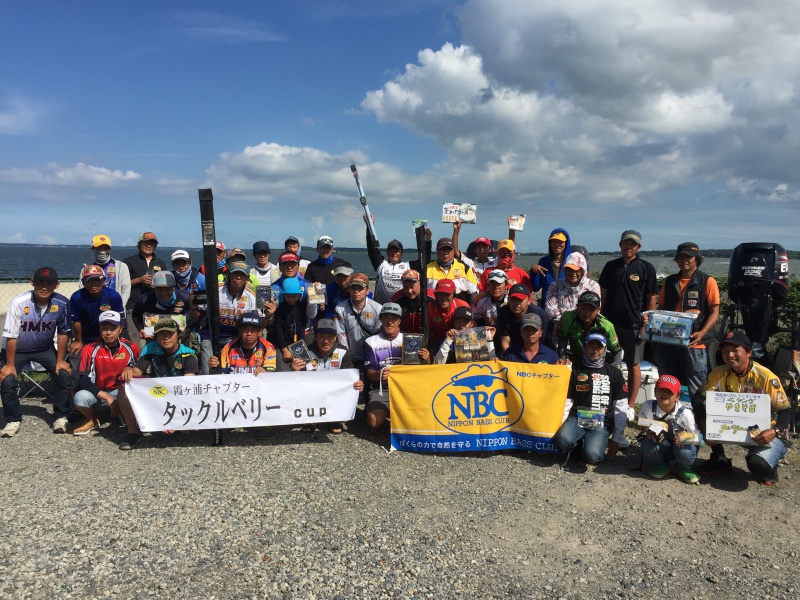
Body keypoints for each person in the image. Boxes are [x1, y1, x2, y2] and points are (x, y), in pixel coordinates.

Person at [695, 331, 791, 486]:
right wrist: (706, 427)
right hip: (731, 428)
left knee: (757, 465)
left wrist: (775, 432)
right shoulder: (719, 372)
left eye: (735, 350)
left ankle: (771, 466)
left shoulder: (767, 377)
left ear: (748, 353)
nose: (730, 355)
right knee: (697, 412)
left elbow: (786, 411)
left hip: (762, 432)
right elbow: (698, 398)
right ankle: (720, 458)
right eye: (725, 351)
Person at [0, 267, 72, 436]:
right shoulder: (19, 302)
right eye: (40, 283)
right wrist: (10, 364)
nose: (44, 287)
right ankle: (13, 420)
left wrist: (60, 360)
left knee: (63, 374)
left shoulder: (62, 303)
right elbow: (11, 336)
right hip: (17, 350)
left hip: (44, 349)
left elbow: (63, 333)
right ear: (32, 283)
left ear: (57, 285)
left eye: (49, 284)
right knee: (7, 380)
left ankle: (60, 416)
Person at [599, 229, 657, 422]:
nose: (628, 247)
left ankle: (631, 404)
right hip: (608, 323)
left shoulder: (646, 268)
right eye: (625, 243)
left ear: (638, 247)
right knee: (605, 363)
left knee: (633, 364)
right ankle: (604, 400)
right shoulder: (610, 266)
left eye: (632, 244)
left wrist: (645, 322)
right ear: (620, 245)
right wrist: (598, 317)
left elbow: (652, 297)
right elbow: (603, 292)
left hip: (633, 325)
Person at [115, 318, 200, 450]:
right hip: (158, 395)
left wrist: (174, 419)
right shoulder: (150, 348)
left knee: (185, 431)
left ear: (178, 334)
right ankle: (133, 432)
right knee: (125, 386)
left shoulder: (188, 354)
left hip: (180, 398)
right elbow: (136, 372)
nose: (166, 338)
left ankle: (176, 425)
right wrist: (128, 370)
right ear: (156, 336)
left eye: (170, 333)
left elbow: (187, 388)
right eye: (161, 334)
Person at [654, 242, 720, 395]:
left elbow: (715, 312)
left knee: (697, 385)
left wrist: (702, 333)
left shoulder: (707, 281)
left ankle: (699, 417)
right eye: (681, 256)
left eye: (689, 257)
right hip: (668, 342)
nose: (685, 260)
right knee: (667, 382)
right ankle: (668, 415)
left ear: (696, 259)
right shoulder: (669, 281)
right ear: (676, 260)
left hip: (694, 343)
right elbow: (661, 308)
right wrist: (652, 321)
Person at [552, 331, 626, 468]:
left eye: (599, 346)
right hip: (576, 418)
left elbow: (621, 407)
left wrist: (617, 438)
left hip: (602, 422)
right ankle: (576, 445)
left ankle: (590, 443)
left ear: (605, 349)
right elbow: (568, 402)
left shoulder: (615, 373)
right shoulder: (574, 369)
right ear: (584, 347)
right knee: (563, 440)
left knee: (593, 456)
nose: (595, 350)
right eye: (591, 345)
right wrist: (559, 426)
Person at [290, 318, 365, 434]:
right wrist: (295, 371)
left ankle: (334, 418)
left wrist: (358, 384)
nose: (326, 341)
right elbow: (298, 383)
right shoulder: (305, 353)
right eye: (322, 336)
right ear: (315, 337)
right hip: (312, 393)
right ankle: (309, 419)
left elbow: (349, 381)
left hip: (333, 394)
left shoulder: (343, 352)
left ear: (335, 337)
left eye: (330, 336)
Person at [72, 310, 139, 435]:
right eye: (104, 328)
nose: (108, 332)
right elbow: (83, 380)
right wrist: (107, 397)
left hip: (122, 391)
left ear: (120, 328)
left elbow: (140, 371)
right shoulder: (89, 349)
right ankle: (92, 420)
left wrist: (130, 368)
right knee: (80, 398)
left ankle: (126, 415)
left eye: (113, 328)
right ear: (99, 329)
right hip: (99, 392)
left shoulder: (131, 347)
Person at [197, 261, 264, 374]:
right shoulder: (214, 291)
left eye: (242, 275)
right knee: (207, 372)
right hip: (210, 336)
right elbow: (199, 312)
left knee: (230, 373)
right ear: (229, 275)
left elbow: (257, 324)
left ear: (247, 279)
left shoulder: (252, 297)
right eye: (235, 273)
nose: (238, 277)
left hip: (235, 339)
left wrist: (270, 315)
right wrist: (193, 307)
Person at [639, 374, 700, 484]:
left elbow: (697, 438)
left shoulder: (686, 413)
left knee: (685, 452)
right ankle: (662, 465)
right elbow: (644, 425)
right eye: (661, 390)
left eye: (669, 391)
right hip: (663, 444)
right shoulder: (648, 406)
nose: (664, 394)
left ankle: (684, 467)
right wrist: (648, 433)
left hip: (680, 447)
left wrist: (684, 439)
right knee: (647, 444)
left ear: (677, 396)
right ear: (654, 391)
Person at [69, 264, 126, 358]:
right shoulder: (77, 297)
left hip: (108, 337)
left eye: (97, 280)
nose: (93, 284)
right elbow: (76, 321)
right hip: (85, 338)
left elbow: (120, 321)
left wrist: (118, 339)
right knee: (76, 360)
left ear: (104, 281)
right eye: (89, 280)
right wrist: (78, 341)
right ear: (83, 282)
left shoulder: (113, 296)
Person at [545, 252, 600, 348]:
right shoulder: (555, 286)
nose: (572, 273)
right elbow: (551, 312)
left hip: (585, 340)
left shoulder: (592, 286)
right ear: (564, 270)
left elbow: (595, 312)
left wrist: (572, 324)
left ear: (583, 270)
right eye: (569, 269)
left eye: (577, 270)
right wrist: (569, 325)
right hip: (558, 338)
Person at [363, 303, 404, 431]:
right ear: (380, 319)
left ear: (399, 321)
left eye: (394, 319)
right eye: (386, 318)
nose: (390, 322)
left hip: (404, 387)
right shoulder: (370, 341)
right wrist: (379, 374)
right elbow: (369, 371)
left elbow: (418, 368)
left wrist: (426, 358)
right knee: (374, 422)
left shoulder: (408, 339)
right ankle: (382, 410)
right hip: (381, 388)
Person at [123, 232, 167, 347]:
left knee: (153, 342)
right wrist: (139, 280)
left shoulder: (161, 263)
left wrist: (156, 285)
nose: (149, 246)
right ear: (140, 244)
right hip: (132, 308)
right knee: (134, 342)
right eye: (146, 243)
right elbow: (122, 284)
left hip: (154, 309)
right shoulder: (128, 262)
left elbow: (167, 286)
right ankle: (135, 364)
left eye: (152, 243)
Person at [334, 273, 382, 377]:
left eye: (360, 288)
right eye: (353, 288)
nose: (356, 291)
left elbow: (378, 335)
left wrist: (372, 354)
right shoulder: (340, 309)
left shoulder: (378, 309)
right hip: (350, 356)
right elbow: (341, 334)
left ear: (367, 291)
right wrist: (347, 355)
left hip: (371, 355)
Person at [556, 291, 621, 364]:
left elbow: (617, 351)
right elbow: (562, 343)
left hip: (602, 361)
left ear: (598, 310)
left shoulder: (606, 326)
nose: (587, 313)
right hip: (578, 359)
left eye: (591, 310)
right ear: (577, 307)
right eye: (583, 309)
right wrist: (563, 361)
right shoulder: (568, 318)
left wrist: (616, 370)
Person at [131, 271, 193, 344]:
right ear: (154, 288)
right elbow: (136, 315)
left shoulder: (185, 298)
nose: (164, 293)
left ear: (173, 287)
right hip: (154, 335)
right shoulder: (144, 299)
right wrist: (140, 329)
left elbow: (194, 315)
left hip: (178, 335)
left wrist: (189, 328)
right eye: (159, 289)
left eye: (167, 289)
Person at [207, 312, 276, 375]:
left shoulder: (268, 347)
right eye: (245, 329)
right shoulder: (228, 348)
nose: (249, 333)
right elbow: (221, 374)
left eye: (253, 330)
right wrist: (213, 368)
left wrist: (265, 372)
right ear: (239, 330)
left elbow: (270, 374)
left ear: (260, 332)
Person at [273, 277, 318, 371]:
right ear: (283, 295)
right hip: (282, 344)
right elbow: (278, 328)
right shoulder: (279, 308)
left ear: (299, 295)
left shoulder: (302, 305)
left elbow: (303, 324)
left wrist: (315, 293)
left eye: (294, 296)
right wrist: (284, 349)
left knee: (302, 369)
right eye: (288, 296)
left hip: (299, 343)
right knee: (283, 371)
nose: (291, 299)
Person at [495, 284, 549, 354]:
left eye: (520, 300)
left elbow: (541, 341)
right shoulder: (503, 312)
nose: (516, 303)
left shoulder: (540, 314)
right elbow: (505, 340)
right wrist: (510, 358)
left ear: (529, 300)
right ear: (508, 299)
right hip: (513, 350)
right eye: (513, 299)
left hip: (538, 350)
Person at [81, 234, 131, 307]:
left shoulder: (121, 266)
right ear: (92, 249)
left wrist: (119, 307)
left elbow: (126, 290)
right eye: (99, 248)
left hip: (115, 310)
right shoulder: (85, 269)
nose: (102, 251)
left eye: (105, 248)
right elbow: (82, 290)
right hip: (93, 310)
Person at [366, 222, 410, 304]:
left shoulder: (408, 266)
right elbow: (371, 249)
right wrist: (369, 225)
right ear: (387, 252)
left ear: (402, 253)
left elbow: (424, 260)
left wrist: (427, 241)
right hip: (381, 308)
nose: (394, 253)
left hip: (400, 308)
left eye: (397, 251)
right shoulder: (381, 264)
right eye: (391, 250)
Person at [425, 237, 478, 304]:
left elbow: (473, 293)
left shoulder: (464, 267)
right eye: (442, 249)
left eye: (449, 249)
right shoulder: (427, 268)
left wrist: (471, 312)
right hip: (434, 310)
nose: (445, 253)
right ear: (437, 251)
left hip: (459, 310)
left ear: (453, 251)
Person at [529, 228, 571, 306]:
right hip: (546, 308)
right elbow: (536, 287)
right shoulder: (543, 261)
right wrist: (533, 272)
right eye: (554, 241)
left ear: (566, 243)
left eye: (560, 242)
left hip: (566, 308)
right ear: (550, 243)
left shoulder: (571, 262)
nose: (557, 245)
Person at [427, 279, 470, 350]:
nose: (444, 298)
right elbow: (426, 333)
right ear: (435, 295)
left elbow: (471, 327)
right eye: (440, 294)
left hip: (461, 343)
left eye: (447, 294)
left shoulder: (462, 305)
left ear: (453, 294)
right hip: (436, 345)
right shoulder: (429, 309)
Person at [393, 269, 433, 334]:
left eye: (412, 287)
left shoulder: (431, 297)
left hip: (427, 336)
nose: (409, 291)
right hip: (403, 336)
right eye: (405, 287)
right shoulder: (397, 298)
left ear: (420, 284)